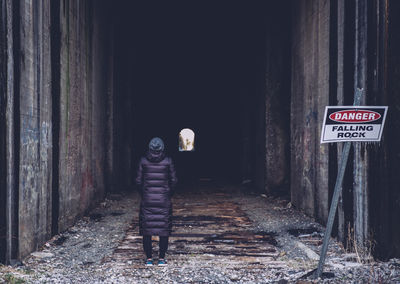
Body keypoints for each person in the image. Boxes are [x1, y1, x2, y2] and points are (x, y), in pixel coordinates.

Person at [135, 137, 178, 266]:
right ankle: (161, 259)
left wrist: (144, 194)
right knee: (163, 229)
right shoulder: (168, 161)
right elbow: (174, 180)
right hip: (163, 200)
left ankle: (148, 259)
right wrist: (168, 194)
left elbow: (138, 181)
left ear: (149, 148)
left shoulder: (143, 161)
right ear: (162, 148)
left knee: (147, 230)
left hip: (147, 199)